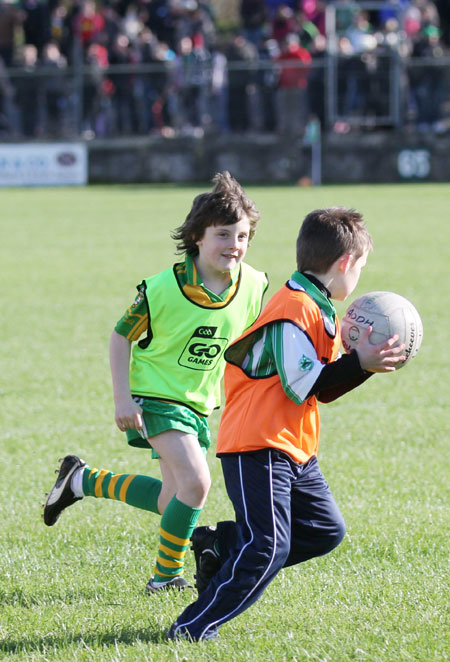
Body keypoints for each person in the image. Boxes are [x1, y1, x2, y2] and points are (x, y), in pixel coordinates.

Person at [169, 206, 406, 640]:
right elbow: (306, 386)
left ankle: (221, 547)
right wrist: (359, 363)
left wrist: (362, 365)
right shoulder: (293, 309)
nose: (359, 277)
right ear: (345, 263)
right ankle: (191, 627)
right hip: (256, 444)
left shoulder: (319, 307)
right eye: (362, 267)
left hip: (293, 447)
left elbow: (325, 388)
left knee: (323, 530)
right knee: (267, 548)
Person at [43, 172, 268, 594]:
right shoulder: (163, 288)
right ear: (197, 237)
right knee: (198, 485)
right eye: (222, 235)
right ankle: (165, 578)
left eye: (241, 236)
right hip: (156, 397)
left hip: (200, 403)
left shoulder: (254, 284)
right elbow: (118, 336)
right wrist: (122, 397)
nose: (233, 245)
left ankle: (81, 480)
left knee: (172, 499)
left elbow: (253, 341)